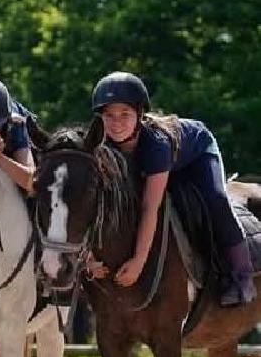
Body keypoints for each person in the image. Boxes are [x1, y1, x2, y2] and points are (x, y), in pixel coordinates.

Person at [88, 71, 256, 307]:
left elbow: (150, 207)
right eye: (109, 115)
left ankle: (241, 278)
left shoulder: (156, 143)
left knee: (216, 199)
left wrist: (138, 261)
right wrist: (88, 258)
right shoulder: (99, 146)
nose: (116, 123)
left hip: (197, 153)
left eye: (125, 114)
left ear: (139, 114)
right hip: (160, 164)